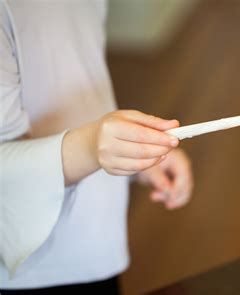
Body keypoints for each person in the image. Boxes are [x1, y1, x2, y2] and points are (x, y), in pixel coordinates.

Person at [0, 0, 194, 293]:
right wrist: (92, 148)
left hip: (98, 242)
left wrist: (133, 153)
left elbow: (74, 78)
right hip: (35, 269)